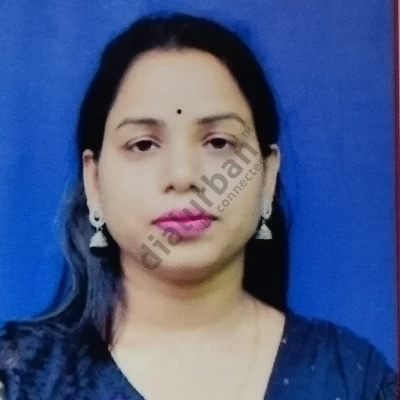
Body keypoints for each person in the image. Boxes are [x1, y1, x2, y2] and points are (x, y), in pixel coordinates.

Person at [0, 11, 398, 400]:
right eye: (143, 144)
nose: (183, 175)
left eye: (219, 142)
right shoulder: (18, 378)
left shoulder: (353, 379)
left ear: (267, 175)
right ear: (94, 182)